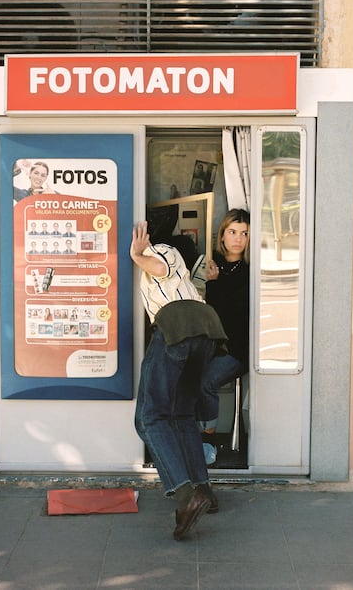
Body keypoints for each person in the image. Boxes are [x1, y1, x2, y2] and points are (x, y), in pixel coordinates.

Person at [130, 221, 228, 541]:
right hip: (205, 332)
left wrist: (137, 253)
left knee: (149, 417)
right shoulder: (185, 270)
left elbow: (159, 267)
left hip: (177, 328)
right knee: (182, 413)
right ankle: (204, 490)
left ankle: (186, 496)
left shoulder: (162, 249)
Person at [196, 208, 250, 456]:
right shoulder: (212, 263)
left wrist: (214, 286)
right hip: (213, 344)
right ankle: (187, 435)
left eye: (244, 233)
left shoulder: (249, 271)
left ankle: (207, 440)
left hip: (238, 349)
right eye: (233, 232)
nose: (238, 238)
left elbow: (232, 315)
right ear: (223, 235)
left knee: (205, 381)